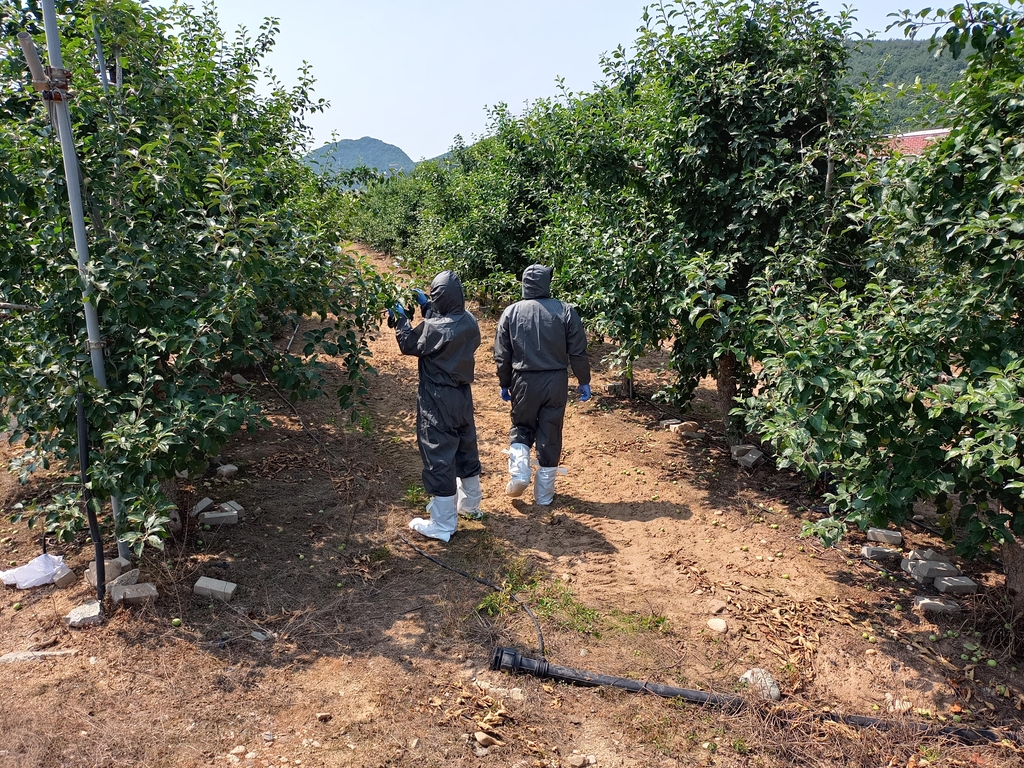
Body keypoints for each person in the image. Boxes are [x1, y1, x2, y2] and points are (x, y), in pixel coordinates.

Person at [392, 271, 482, 542]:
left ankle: (443, 524)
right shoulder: (470, 321)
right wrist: (426, 306)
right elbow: (445, 322)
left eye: (434, 297)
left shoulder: (434, 329)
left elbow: (409, 343)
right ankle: (470, 506)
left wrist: (401, 319)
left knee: (438, 454)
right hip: (462, 396)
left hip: (437, 398)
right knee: (465, 447)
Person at [494, 264, 591, 505]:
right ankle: (544, 495)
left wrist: (504, 382)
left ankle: (519, 473)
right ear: (547, 284)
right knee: (551, 430)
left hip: (523, 379)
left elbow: (502, 353)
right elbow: (578, 351)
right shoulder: (565, 311)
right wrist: (584, 381)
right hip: (555, 380)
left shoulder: (511, 312)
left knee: (521, 425)